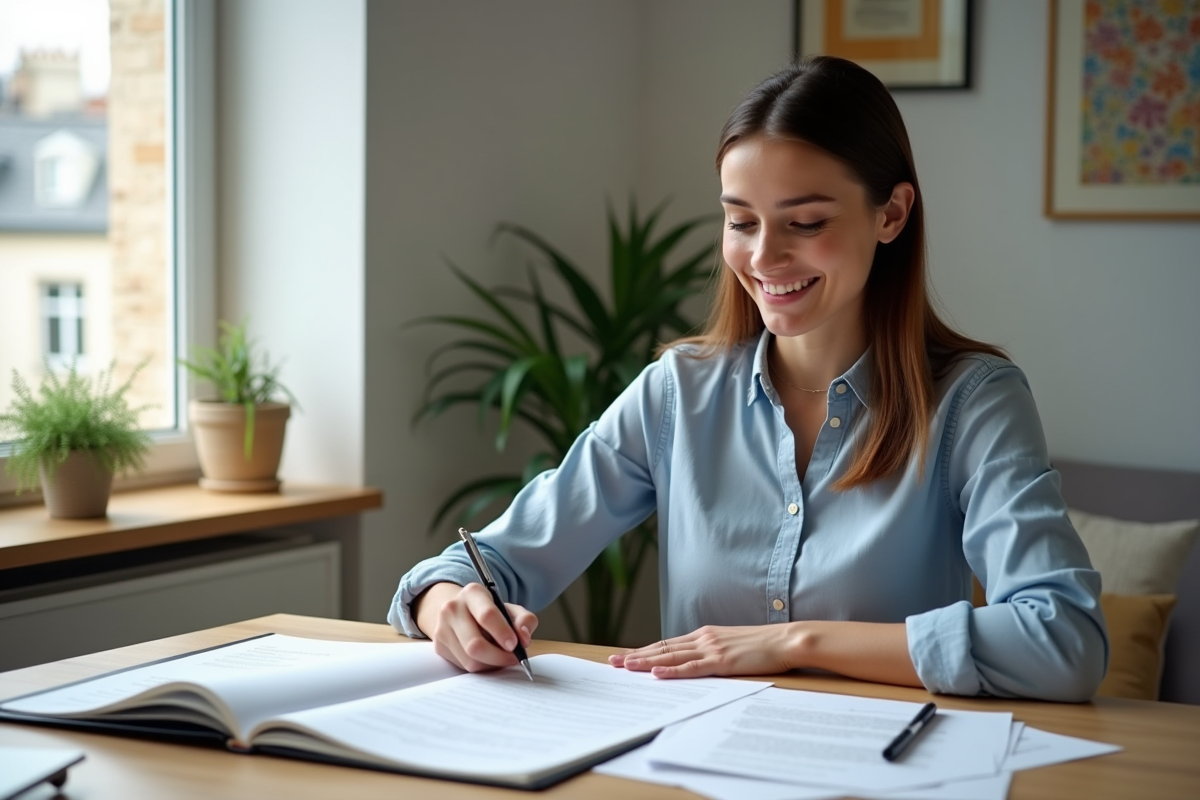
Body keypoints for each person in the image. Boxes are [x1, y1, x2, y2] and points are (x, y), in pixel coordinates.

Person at [389, 57, 1108, 701]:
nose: (765, 257)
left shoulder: (973, 403)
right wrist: (447, 601)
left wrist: (792, 642)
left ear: (890, 214)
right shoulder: (677, 393)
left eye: (805, 222)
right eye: (741, 222)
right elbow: (487, 563)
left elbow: (1063, 640)